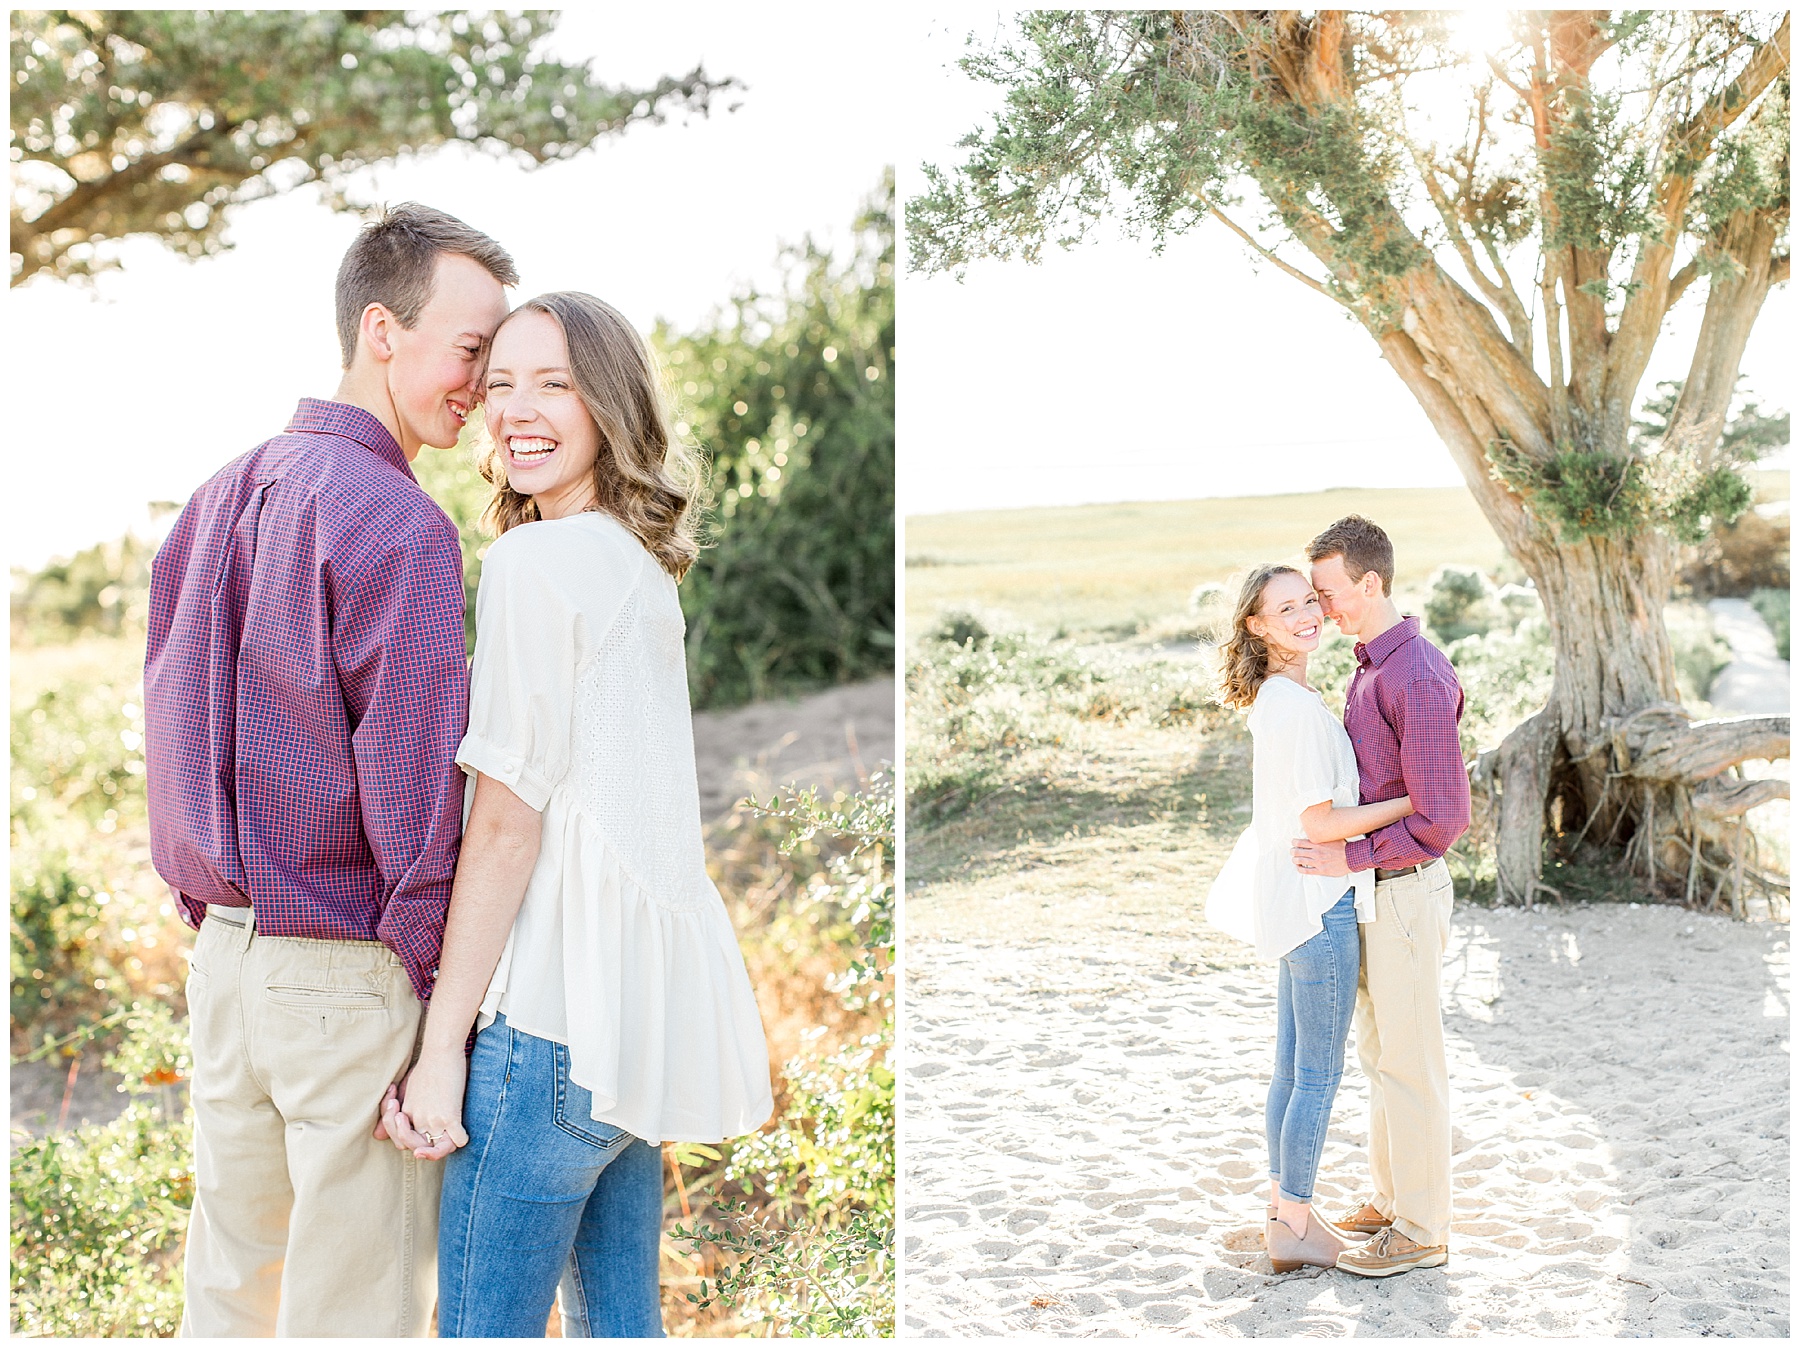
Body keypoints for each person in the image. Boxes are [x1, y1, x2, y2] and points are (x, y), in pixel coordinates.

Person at [144, 204, 515, 1336]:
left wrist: (217, 920)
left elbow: (169, 731)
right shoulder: (401, 523)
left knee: (232, 1293)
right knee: (356, 1315)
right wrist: (433, 1002)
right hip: (346, 968)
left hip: (225, 962)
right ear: (381, 331)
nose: (483, 386)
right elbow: (415, 802)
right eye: (470, 349)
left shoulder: (212, 498)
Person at [381, 292, 774, 1337]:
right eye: (501, 383)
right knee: (621, 1328)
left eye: (553, 383)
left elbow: (505, 824)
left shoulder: (534, 562)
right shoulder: (636, 566)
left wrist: (441, 1048)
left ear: (609, 402)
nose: (517, 409)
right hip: (632, 1029)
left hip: (550, 1029)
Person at [1206, 564, 1416, 1273]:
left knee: (1292, 1072)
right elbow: (1321, 823)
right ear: (1256, 626)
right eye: (1285, 609)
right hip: (1320, 907)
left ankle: (1283, 1212)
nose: (1306, 617)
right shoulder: (1292, 709)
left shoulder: (1280, 698)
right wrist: (1412, 802)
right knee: (1317, 1075)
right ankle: (1294, 1224)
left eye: (1309, 602)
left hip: (1295, 905)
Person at [1292, 514, 1471, 1278]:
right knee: (1380, 1055)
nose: (1321, 607)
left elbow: (1443, 818)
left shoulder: (1415, 674)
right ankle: (1394, 1201)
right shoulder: (1370, 667)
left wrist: (1350, 855)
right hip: (1375, 891)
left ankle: (1423, 1229)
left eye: (1329, 592)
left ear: (1371, 583)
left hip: (1404, 892)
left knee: (1411, 1062)